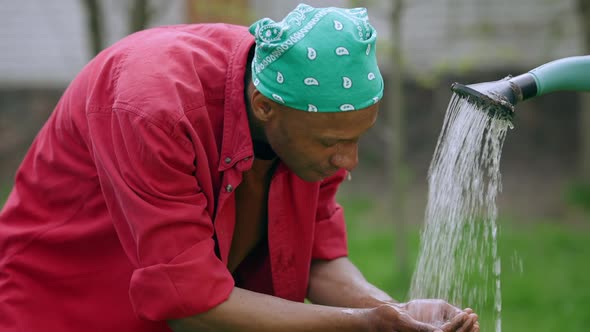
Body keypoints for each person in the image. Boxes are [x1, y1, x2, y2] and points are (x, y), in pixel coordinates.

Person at [0, 4, 479, 332]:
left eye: (357, 139)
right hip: (60, 306)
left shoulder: (303, 104)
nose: (347, 162)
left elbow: (316, 259)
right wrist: (366, 325)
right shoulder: (153, 108)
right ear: (263, 106)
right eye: (334, 143)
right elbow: (189, 303)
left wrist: (396, 312)